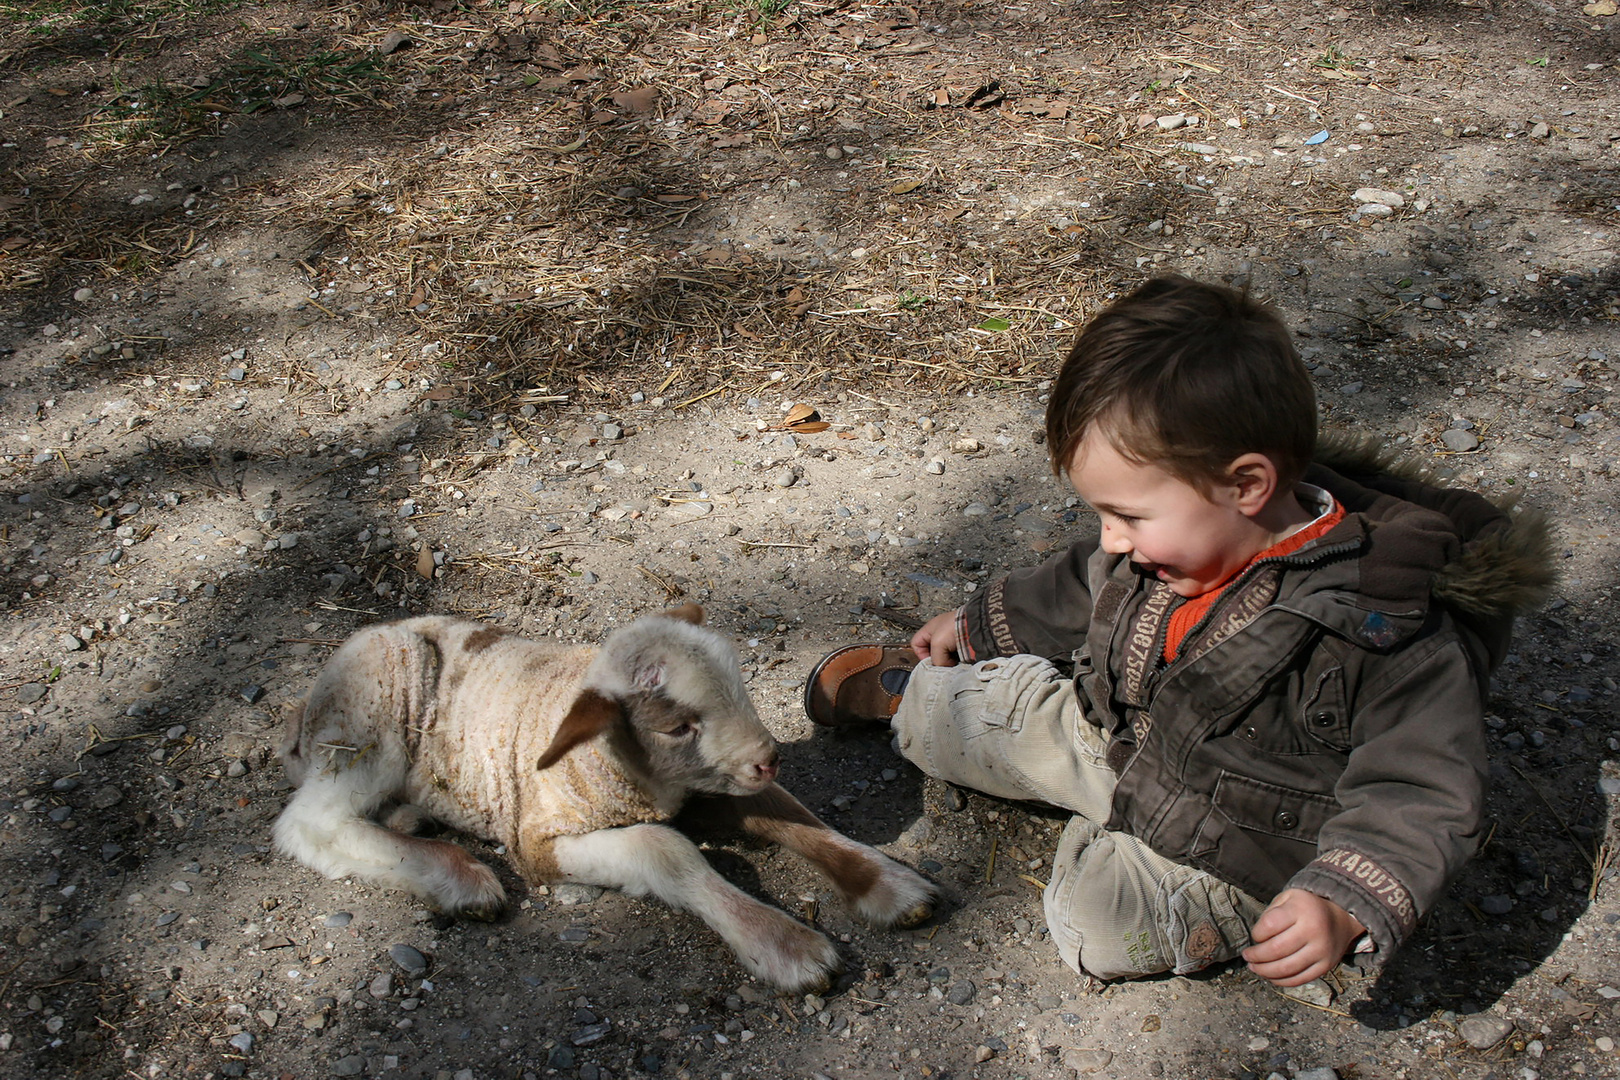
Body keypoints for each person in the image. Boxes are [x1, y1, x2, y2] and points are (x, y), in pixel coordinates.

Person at [804, 275, 1553, 986]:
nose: (1113, 538)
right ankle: (929, 706)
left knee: (1091, 923)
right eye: (1103, 513)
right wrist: (976, 626)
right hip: (1121, 736)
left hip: (1240, 834)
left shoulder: (1385, 628)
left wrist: (1342, 899)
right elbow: (1073, 585)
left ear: (1248, 485)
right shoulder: (1176, 539)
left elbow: (1422, 789)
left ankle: (1153, 862)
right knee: (946, 717)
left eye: (1128, 516)